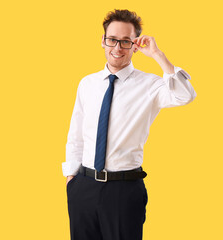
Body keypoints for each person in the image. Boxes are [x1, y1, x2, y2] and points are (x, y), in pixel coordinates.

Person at [62, 9, 196, 240]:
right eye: (112, 39)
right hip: (83, 187)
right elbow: (76, 134)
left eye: (126, 41)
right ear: (103, 41)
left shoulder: (151, 85)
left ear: (135, 45)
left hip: (123, 190)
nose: (117, 48)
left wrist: (158, 55)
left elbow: (186, 95)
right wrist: (71, 179)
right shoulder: (87, 83)